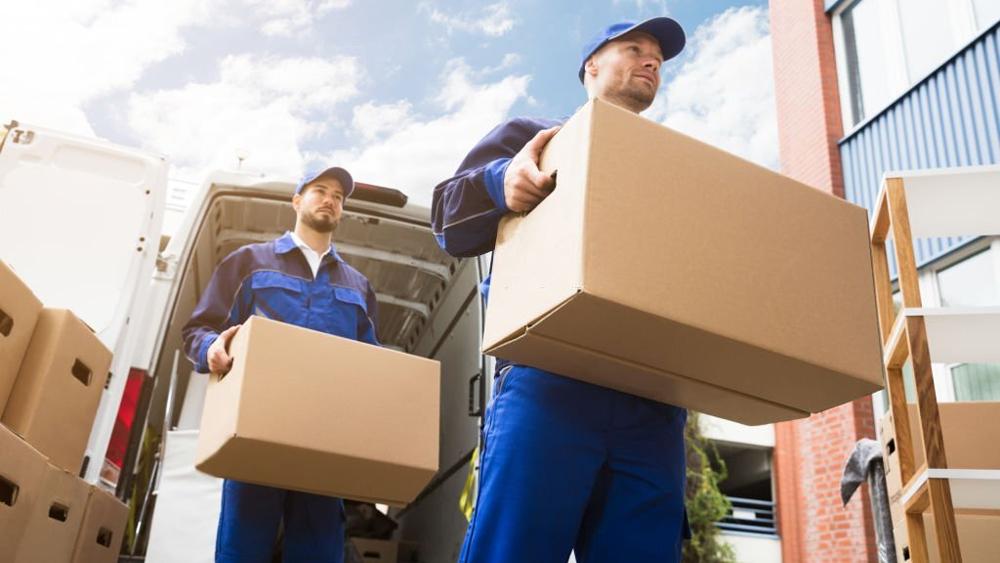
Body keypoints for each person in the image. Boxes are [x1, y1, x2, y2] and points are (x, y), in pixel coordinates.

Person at [431, 17, 690, 563]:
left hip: (655, 399)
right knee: (513, 551)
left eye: (659, 60)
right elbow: (448, 222)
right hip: (549, 380)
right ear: (591, 65)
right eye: (635, 49)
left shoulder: (677, 168)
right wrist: (501, 181)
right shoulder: (536, 137)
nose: (651, 62)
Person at [182, 166, 378, 563]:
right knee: (243, 550)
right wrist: (211, 349)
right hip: (255, 431)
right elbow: (198, 329)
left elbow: (371, 365)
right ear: (296, 200)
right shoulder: (249, 263)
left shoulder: (358, 286)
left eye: (338, 197)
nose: (329, 200)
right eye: (319, 190)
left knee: (319, 553)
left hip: (324, 442)